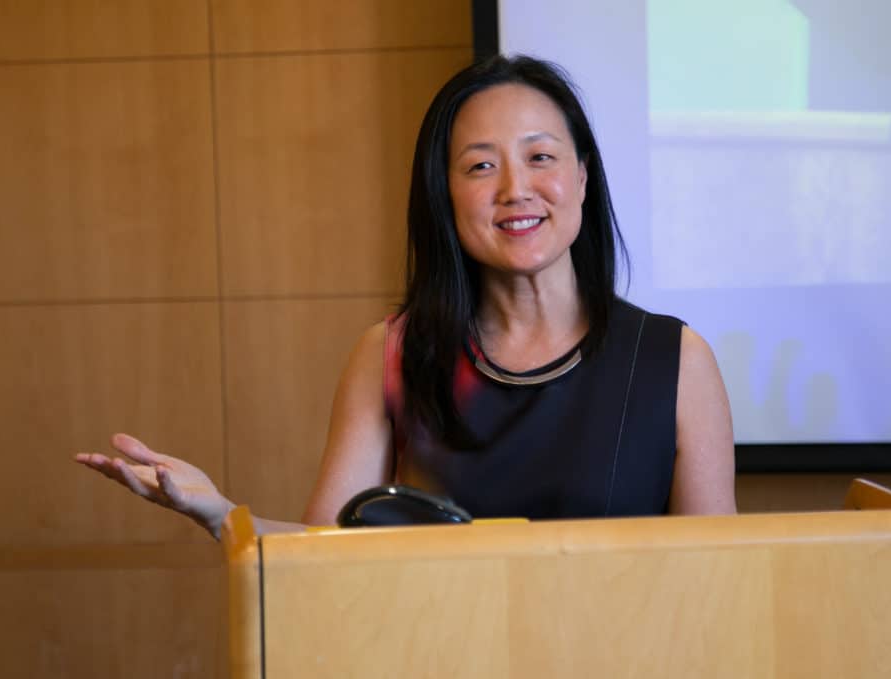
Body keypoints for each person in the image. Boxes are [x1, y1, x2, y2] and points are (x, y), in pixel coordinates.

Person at [74, 56, 736, 539]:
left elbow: (723, 579)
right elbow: (327, 556)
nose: (515, 188)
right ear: (443, 196)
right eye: (481, 165)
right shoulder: (393, 354)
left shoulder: (677, 361)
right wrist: (219, 512)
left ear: (583, 176)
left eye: (541, 157)